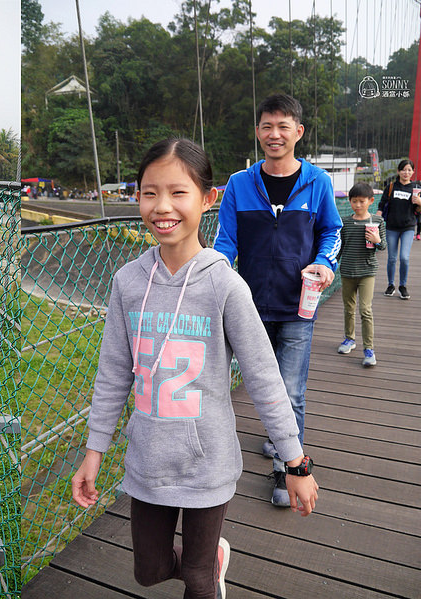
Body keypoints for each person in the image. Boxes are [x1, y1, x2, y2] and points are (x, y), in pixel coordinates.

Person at [72, 138, 318, 599]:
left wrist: (295, 462)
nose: (162, 207)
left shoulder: (226, 285)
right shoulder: (126, 282)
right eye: (149, 192)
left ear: (208, 199)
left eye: (177, 192)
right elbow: (112, 375)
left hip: (208, 463)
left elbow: (265, 377)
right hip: (146, 459)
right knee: (148, 571)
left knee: (199, 581)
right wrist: (94, 449)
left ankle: (210, 565)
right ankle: (212, 559)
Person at [213, 93, 341, 507]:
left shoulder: (318, 183)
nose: (275, 134)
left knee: (292, 391)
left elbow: (332, 232)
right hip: (249, 306)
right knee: (256, 385)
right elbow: (225, 242)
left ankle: (287, 470)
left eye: (283, 126)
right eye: (267, 126)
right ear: (257, 132)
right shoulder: (238, 184)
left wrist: (324, 262)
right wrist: (215, 274)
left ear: (298, 132)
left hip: (298, 305)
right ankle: (275, 437)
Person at [336, 182, 386, 366]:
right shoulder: (345, 222)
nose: (358, 205)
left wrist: (377, 240)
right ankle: (349, 339)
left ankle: (369, 349)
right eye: (354, 201)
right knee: (349, 308)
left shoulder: (378, 222)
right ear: (349, 201)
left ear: (371, 201)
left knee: (365, 309)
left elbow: (383, 246)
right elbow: (339, 247)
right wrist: (331, 264)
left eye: (362, 201)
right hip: (347, 271)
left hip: (367, 271)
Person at [376, 159, 421, 299]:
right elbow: (381, 205)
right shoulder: (391, 187)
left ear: (413, 172)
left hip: (408, 227)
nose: (406, 172)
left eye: (409, 170)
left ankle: (402, 286)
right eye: (403, 169)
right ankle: (391, 285)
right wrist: (375, 220)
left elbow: (418, 209)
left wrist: (420, 202)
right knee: (392, 258)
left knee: (404, 258)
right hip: (391, 227)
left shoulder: (416, 188)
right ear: (398, 171)